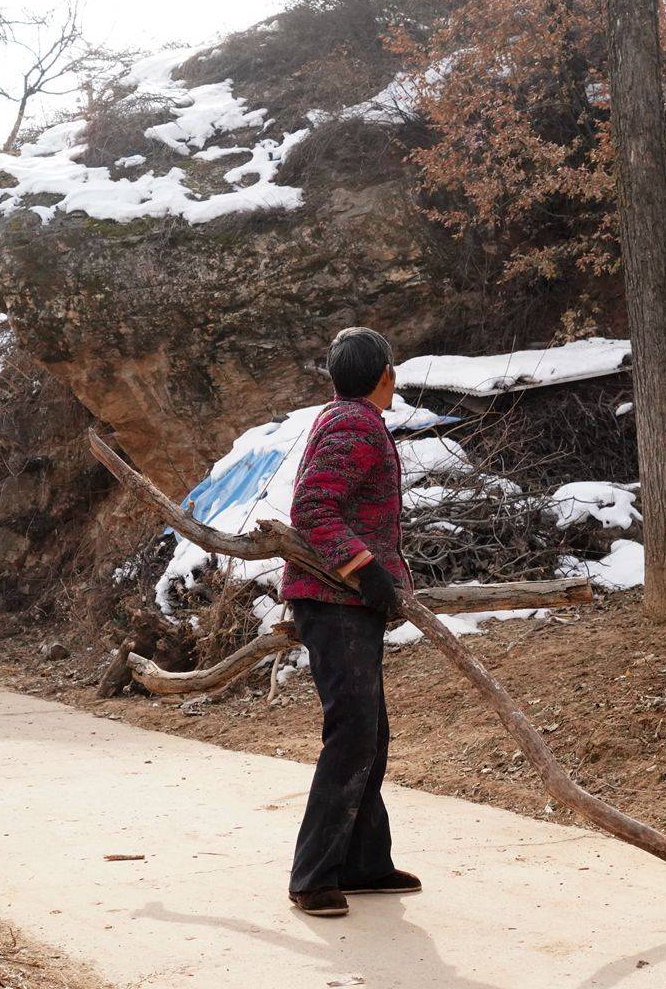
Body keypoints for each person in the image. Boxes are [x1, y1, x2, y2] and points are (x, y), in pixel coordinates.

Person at [281, 327, 422, 918]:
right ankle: (313, 876)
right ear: (385, 375)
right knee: (353, 734)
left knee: (371, 733)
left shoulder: (350, 420)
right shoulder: (353, 424)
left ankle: (364, 863)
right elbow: (312, 509)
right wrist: (368, 572)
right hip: (333, 600)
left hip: (347, 603)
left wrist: (379, 582)